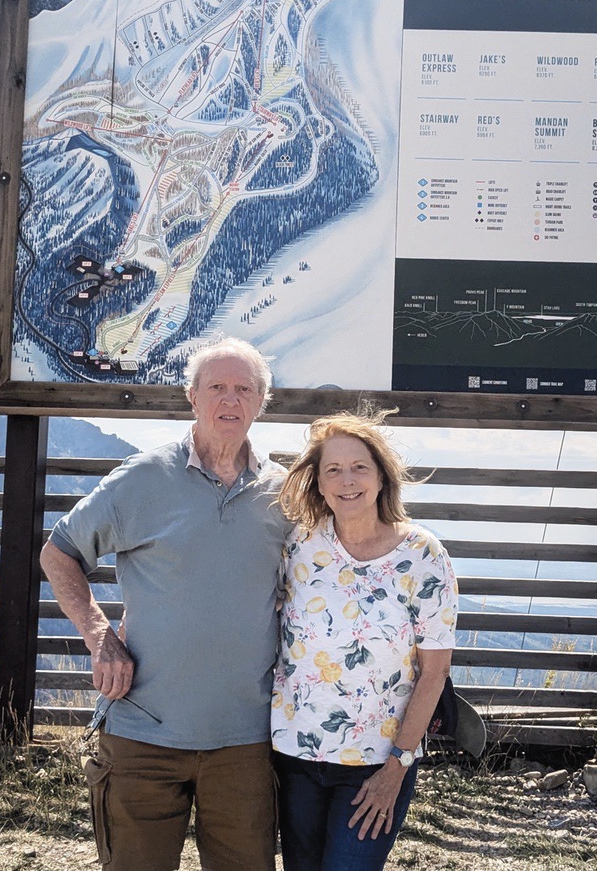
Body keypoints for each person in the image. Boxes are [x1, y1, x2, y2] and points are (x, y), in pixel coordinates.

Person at [40, 338, 289, 871]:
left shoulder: (284, 494)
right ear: (192, 396)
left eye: (244, 389)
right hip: (140, 733)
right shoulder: (143, 478)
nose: (230, 399)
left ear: (261, 402)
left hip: (245, 739)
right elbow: (59, 553)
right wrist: (99, 634)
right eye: (216, 387)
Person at [272, 408, 458, 871]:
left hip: (376, 762)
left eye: (359, 467)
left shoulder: (422, 555)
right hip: (293, 753)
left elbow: (434, 673)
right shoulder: (297, 545)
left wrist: (397, 765)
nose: (346, 479)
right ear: (317, 482)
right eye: (333, 469)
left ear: (380, 477)